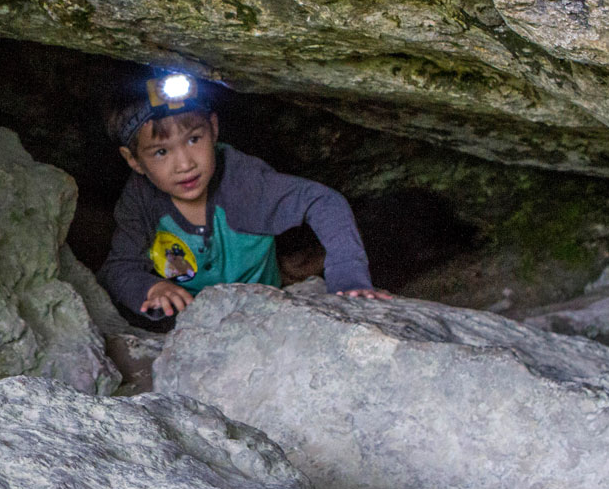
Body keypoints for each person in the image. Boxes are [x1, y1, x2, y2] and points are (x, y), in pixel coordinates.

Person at [97, 72, 392, 321]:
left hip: (265, 317)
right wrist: (150, 289)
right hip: (189, 329)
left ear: (213, 129)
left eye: (193, 139)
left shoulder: (243, 183)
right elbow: (118, 268)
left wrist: (348, 278)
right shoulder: (141, 199)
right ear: (134, 160)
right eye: (161, 152)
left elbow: (322, 202)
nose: (185, 164)